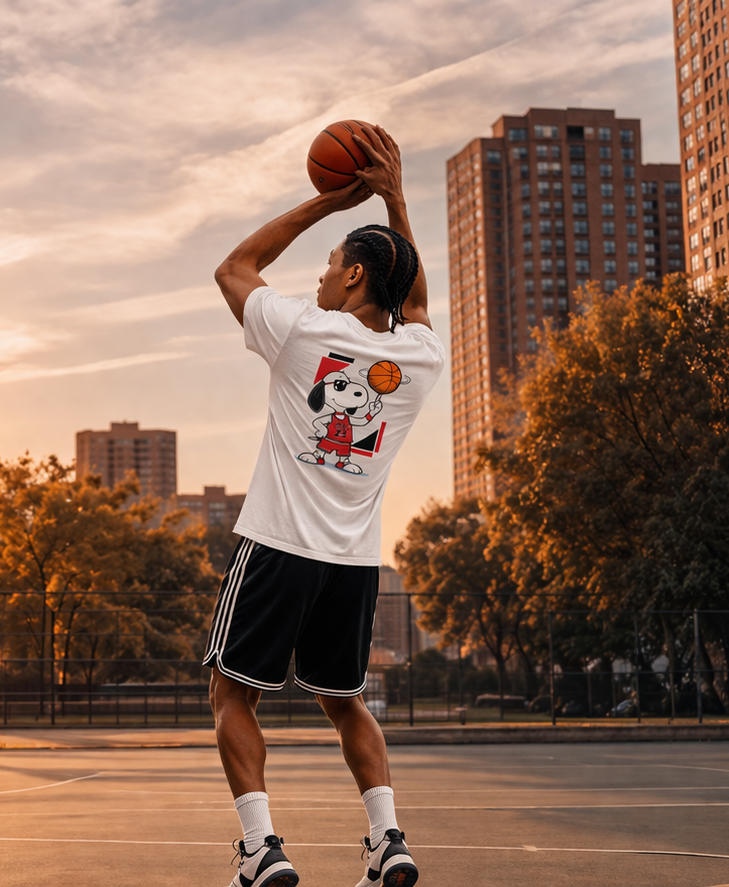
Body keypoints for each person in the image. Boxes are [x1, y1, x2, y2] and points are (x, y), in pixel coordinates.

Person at [207, 124, 441, 887]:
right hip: (352, 563)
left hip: (278, 546)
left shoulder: (301, 331)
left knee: (230, 694)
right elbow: (415, 296)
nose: (320, 274)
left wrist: (329, 202)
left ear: (353, 277)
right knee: (345, 701)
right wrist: (394, 198)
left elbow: (234, 266)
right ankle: (387, 838)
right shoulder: (419, 356)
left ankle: (261, 847)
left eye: (332, 262)